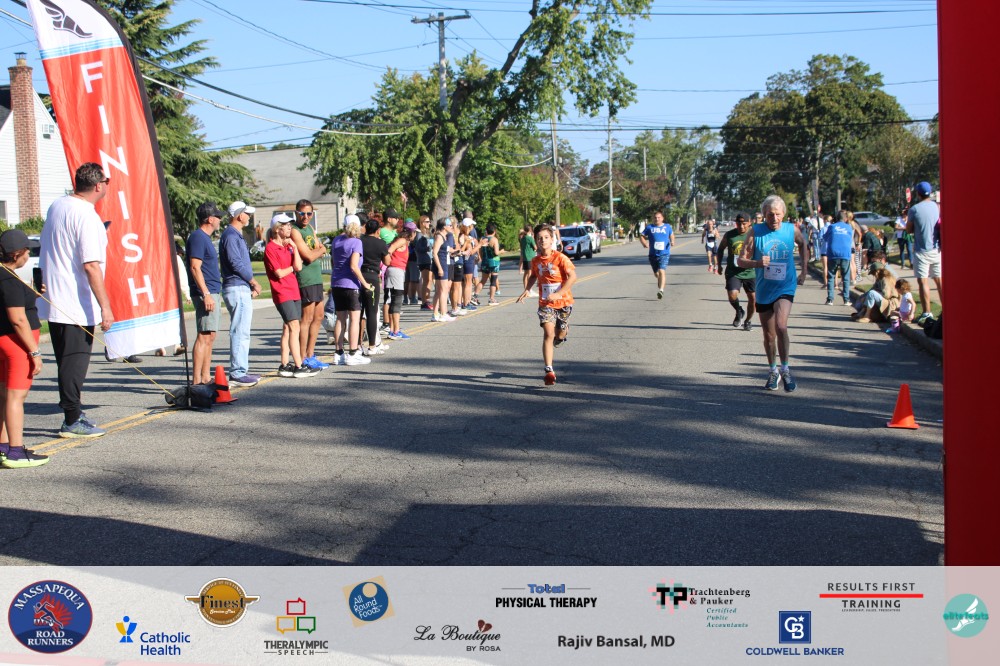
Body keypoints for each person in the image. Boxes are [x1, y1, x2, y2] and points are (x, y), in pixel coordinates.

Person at [38, 162, 113, 438]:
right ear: (98, 185)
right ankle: (71, 419)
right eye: (107, 181)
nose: (107, 186)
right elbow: (91, 265)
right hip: (75, 301)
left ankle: (74, 412)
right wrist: (105, 306)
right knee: (75, 362)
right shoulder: (87, 216)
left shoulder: (58, 205)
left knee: (65, 360)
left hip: (55, 297)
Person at [737, 195, 808, 392]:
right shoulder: (755, 232)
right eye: (770, 215)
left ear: (783, 214)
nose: (774, 218)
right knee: (769, 335)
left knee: (781, 326)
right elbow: (740, 260)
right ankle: (773, 371)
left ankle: (786, 370)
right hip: (764, 289)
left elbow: (803, 244)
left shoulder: (791, 230)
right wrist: (757, 263)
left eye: (777, 214)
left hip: (785, 286)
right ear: (764, 215)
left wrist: (804, 270)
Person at [0, 230, 48, 467]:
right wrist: (34, 352)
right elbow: (18, 319)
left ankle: (3, 446)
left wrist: (32, 295)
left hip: (4, 342)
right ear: (16, 254)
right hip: (15, 344)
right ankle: (16, 451)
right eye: (27, 251)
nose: (29, 255)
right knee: (16, 396)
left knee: (4, 394)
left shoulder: (6, 275)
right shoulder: (8, 280)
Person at [516, 224, 577, 386]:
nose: (543, 240)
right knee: (548, 333)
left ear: (552, 240)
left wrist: (559, 293)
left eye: (546, 237)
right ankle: (549, 370)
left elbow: (573, 276)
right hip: (546, 302)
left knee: (560, 334)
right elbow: (533, 276)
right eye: (539, 238)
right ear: (536, 241)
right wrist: (527, 290)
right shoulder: (536, 261)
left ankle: (562, 334)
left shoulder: (560, 258)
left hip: (563, 302)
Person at [264, 214, 317, 378]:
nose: (290, 228)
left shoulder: (288, 246)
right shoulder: (270, 248)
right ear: (277, 229)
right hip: (282, 292)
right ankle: (299, 366)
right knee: (294, 327)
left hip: (294, 290)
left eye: (290, 225)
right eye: (286, 225)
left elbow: (299, 266)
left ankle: (284, 365)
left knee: (287, 327)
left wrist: (294, 246)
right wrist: (292, 268)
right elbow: (279, 273)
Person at [220, 201, 263, 386]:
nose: (249, 216)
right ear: (239, 215)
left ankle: (240, 369)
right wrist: (253, 281)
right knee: (240, 331)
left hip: (240, 286)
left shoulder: (234, 234)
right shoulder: (231, 235)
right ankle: (237, 372)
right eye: (247, 213)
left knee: (243, 331)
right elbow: (235, 263)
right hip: (236, 286)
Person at [185, 202, 223, 385]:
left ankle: (206, 377)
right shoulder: (198, 237)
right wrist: (206, 293)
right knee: (204, 335)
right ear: (210, 219)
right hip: (205, 292)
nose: (220, 220)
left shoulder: (205, 238)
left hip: (212, 290)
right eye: (218, 216)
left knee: (210, 335)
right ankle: (196, 381)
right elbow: (195, 267)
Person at [290, 199, 329, 371]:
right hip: (305, 278)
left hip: (316, 277)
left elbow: (319, 247)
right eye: (302, 213)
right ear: (296, 213)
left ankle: (311, 354)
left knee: (319, 316)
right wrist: (320, 250)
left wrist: (319, 250)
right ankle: (302, 357)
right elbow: (309, 256)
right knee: (306, 319)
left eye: (309, 213)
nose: (305, 217)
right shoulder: (295, 230)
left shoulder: (310, 228)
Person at [330, 217, 373, 365]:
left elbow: (334, 261)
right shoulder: (356, 242)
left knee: (340, 318)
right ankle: (353, 353)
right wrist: (365, 283)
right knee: (354, 319)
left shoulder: (336, 240)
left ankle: (338, 353)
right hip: (351, 284)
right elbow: (354, 266)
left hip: (336, 283)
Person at [906, 181, 942, 324]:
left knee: (923, 281)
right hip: (936, 248)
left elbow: (908, 230)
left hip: (921, 250)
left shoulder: (914, 209)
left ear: (918, 193)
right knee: (939, 280)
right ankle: (946, 309)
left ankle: (927, 313)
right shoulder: (936, 207)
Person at [715, 213, 756, 331]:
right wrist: (719, 265)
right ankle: (739, 311)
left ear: (749, 223)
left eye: (744, 223)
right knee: (732, 295)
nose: (741, 226)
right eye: (738, 223)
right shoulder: (729, 235)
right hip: (733, 271)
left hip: (751, 271)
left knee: (753, 299)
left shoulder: (755, 235)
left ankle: (747, 321)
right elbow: (720, 249)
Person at [359, 218, 390, 355]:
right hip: (372, 277)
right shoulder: (380, 243)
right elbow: (387, 261)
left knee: (358, 312)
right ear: (378, 231)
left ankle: (357, 344)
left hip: (359, 275)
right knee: (371, 312)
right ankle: (372, 345)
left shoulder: (359, 240)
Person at [385, 221, 415, 340]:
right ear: (411, 233)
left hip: (396, 271)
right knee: (397, 300)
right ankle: (395, 331)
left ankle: (393, 330)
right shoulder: (402, 240)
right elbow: (390, 249)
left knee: (394, 300)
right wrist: (388, 261)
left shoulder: (404, 241)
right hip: (395, 270)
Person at [638, 210, 674, 300]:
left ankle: (661, 290)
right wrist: (644, 243)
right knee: (656, 274)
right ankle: (659, 279)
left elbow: (671, 235)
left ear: (662, 218)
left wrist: (672, 241)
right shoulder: (649, 227)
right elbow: (641, 236)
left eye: (659, 217)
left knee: (662, 271)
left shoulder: (667, 227)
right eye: (655, 217)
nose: (657, 219)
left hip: (664, 253)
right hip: (653, 254)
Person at [823, 211, 854, 306]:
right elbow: (850, 238)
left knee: (831, 276)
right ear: (845, 219)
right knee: (846, 277)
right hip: (845, 253)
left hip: (833, 253)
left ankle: (830, 299)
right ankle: (846, 299)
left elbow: (825, 238)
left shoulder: (832, 227)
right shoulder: (849, 227)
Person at [431, 217, 457, 323]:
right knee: (443, 290)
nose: (451, 227)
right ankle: (443, 314)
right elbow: (434, 253)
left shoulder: (443, 236)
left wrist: (457, 252)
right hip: (441, 265)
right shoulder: (439, 237)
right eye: (450, 225)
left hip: (444, 264)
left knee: (439, 291)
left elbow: (446, 250)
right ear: (444, 226)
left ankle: (435, 314)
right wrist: (440, 268)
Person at [479, 223, 502, 305]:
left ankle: (475, 295)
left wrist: (482, 258)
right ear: (494, 231)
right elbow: (496, 252)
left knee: (483, 280)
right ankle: (491, 299)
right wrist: (501, 251)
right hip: (493, 262)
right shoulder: (494, 239)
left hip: (485, 261)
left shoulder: (482, 239)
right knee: (493, 280)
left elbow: (480, 251)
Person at [415, 215, 434, 309]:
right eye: (427, 222)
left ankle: (427, 299)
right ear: (422, 223)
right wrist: (428, 248)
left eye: (429, 221)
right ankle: (424, 302)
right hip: (423, 260)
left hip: (429, 258)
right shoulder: (419, 234)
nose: (429, 223)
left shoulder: (428, 233)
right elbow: (418, 248)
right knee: (426, 280)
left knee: (429, 280)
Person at [518, 223, 537, 295]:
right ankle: (529, 289)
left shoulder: (522, 238)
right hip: (530, 257)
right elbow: (535, 247)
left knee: (526, 273)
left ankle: (526, 289)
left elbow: (522, 247)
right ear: (530, 230)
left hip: (525, 257)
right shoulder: (530, 238)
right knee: (530, 273)